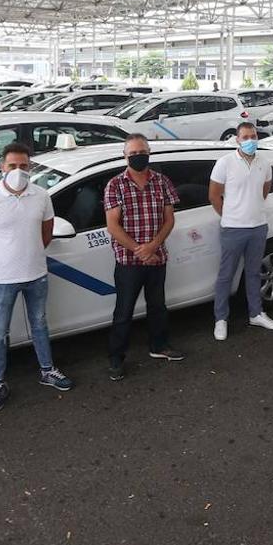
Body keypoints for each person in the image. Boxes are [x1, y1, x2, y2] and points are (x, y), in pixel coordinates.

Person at [0, 142, 72, 411]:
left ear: (31, 168)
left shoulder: (41, 196)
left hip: (36, 274)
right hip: (2, 279)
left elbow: (46, 233)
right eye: (12, 166)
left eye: (24, 166)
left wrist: (29, 258)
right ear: (2, 168)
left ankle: (47, 370)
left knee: (39, 324)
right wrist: (3, 265)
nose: (18, 171)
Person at [104, 134, 185, 380]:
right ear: (125, 156)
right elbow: (113, 226)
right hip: (129, 262)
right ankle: (116, 357)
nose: (138, 157)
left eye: (142, 152)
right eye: (133, 154)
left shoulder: (162, 182)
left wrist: (153, 247)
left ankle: (159, 346)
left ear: (149, 153)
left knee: (158, 306)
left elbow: (169, 219)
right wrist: (141, 249)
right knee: (123, 312)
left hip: (157, 258)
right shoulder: (115, 185)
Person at [209, 121, 273, 340]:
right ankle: (221, 319)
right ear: (237, 139)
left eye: (253, 136)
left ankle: (256, 313)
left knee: (254, 272)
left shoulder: (264, 163)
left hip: (258, 227)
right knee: (226, 275)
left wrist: (252, 210)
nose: (250, 140)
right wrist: (231, 215)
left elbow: (264, 191)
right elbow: (214, 195)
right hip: (233, 228)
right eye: (246, 137)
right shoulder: (225, 163)